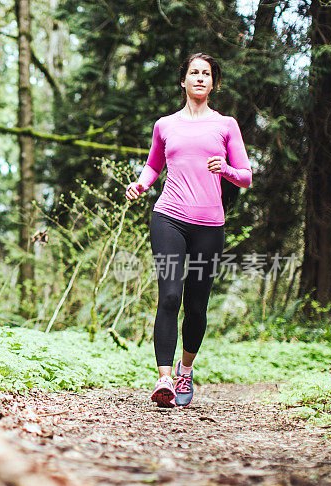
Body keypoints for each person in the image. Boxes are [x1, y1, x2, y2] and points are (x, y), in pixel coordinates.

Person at [125, 52, 252, 408]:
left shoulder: (225, 125)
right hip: (168, 217)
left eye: (206, 73)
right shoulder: (165, 125)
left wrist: (225, 169)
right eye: (193, 72)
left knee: (196, 305)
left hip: (209, 226)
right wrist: (140, 185)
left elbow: (246, 176)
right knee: (169, 296)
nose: (199, 78)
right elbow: (153, 166)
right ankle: (164, 378)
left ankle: (185, 369)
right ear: (183, 81)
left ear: (213, 83)